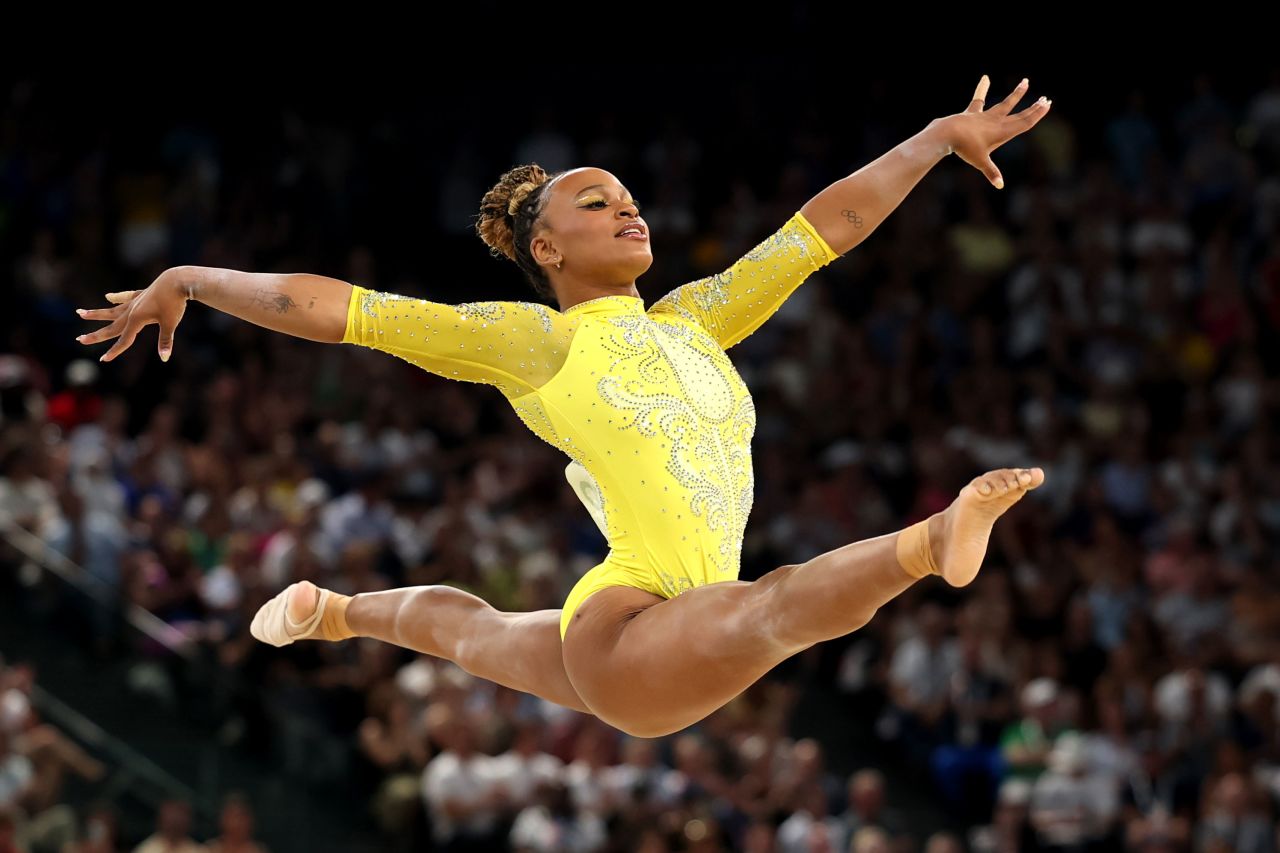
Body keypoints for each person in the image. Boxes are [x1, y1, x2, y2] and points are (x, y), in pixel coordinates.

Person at [75, 76, 1052, 738]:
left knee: (468, 632)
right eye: (594, 203)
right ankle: (932, 541)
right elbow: (338, 309)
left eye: (627, 196)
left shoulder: (695, 320)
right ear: (544, 249)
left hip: (650, 627)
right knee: (772, 604)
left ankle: (331, 613)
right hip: (636, 627)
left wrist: (931, 139)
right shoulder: (539, 343)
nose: (626, 208)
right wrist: (191, 279)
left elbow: (819, 229)